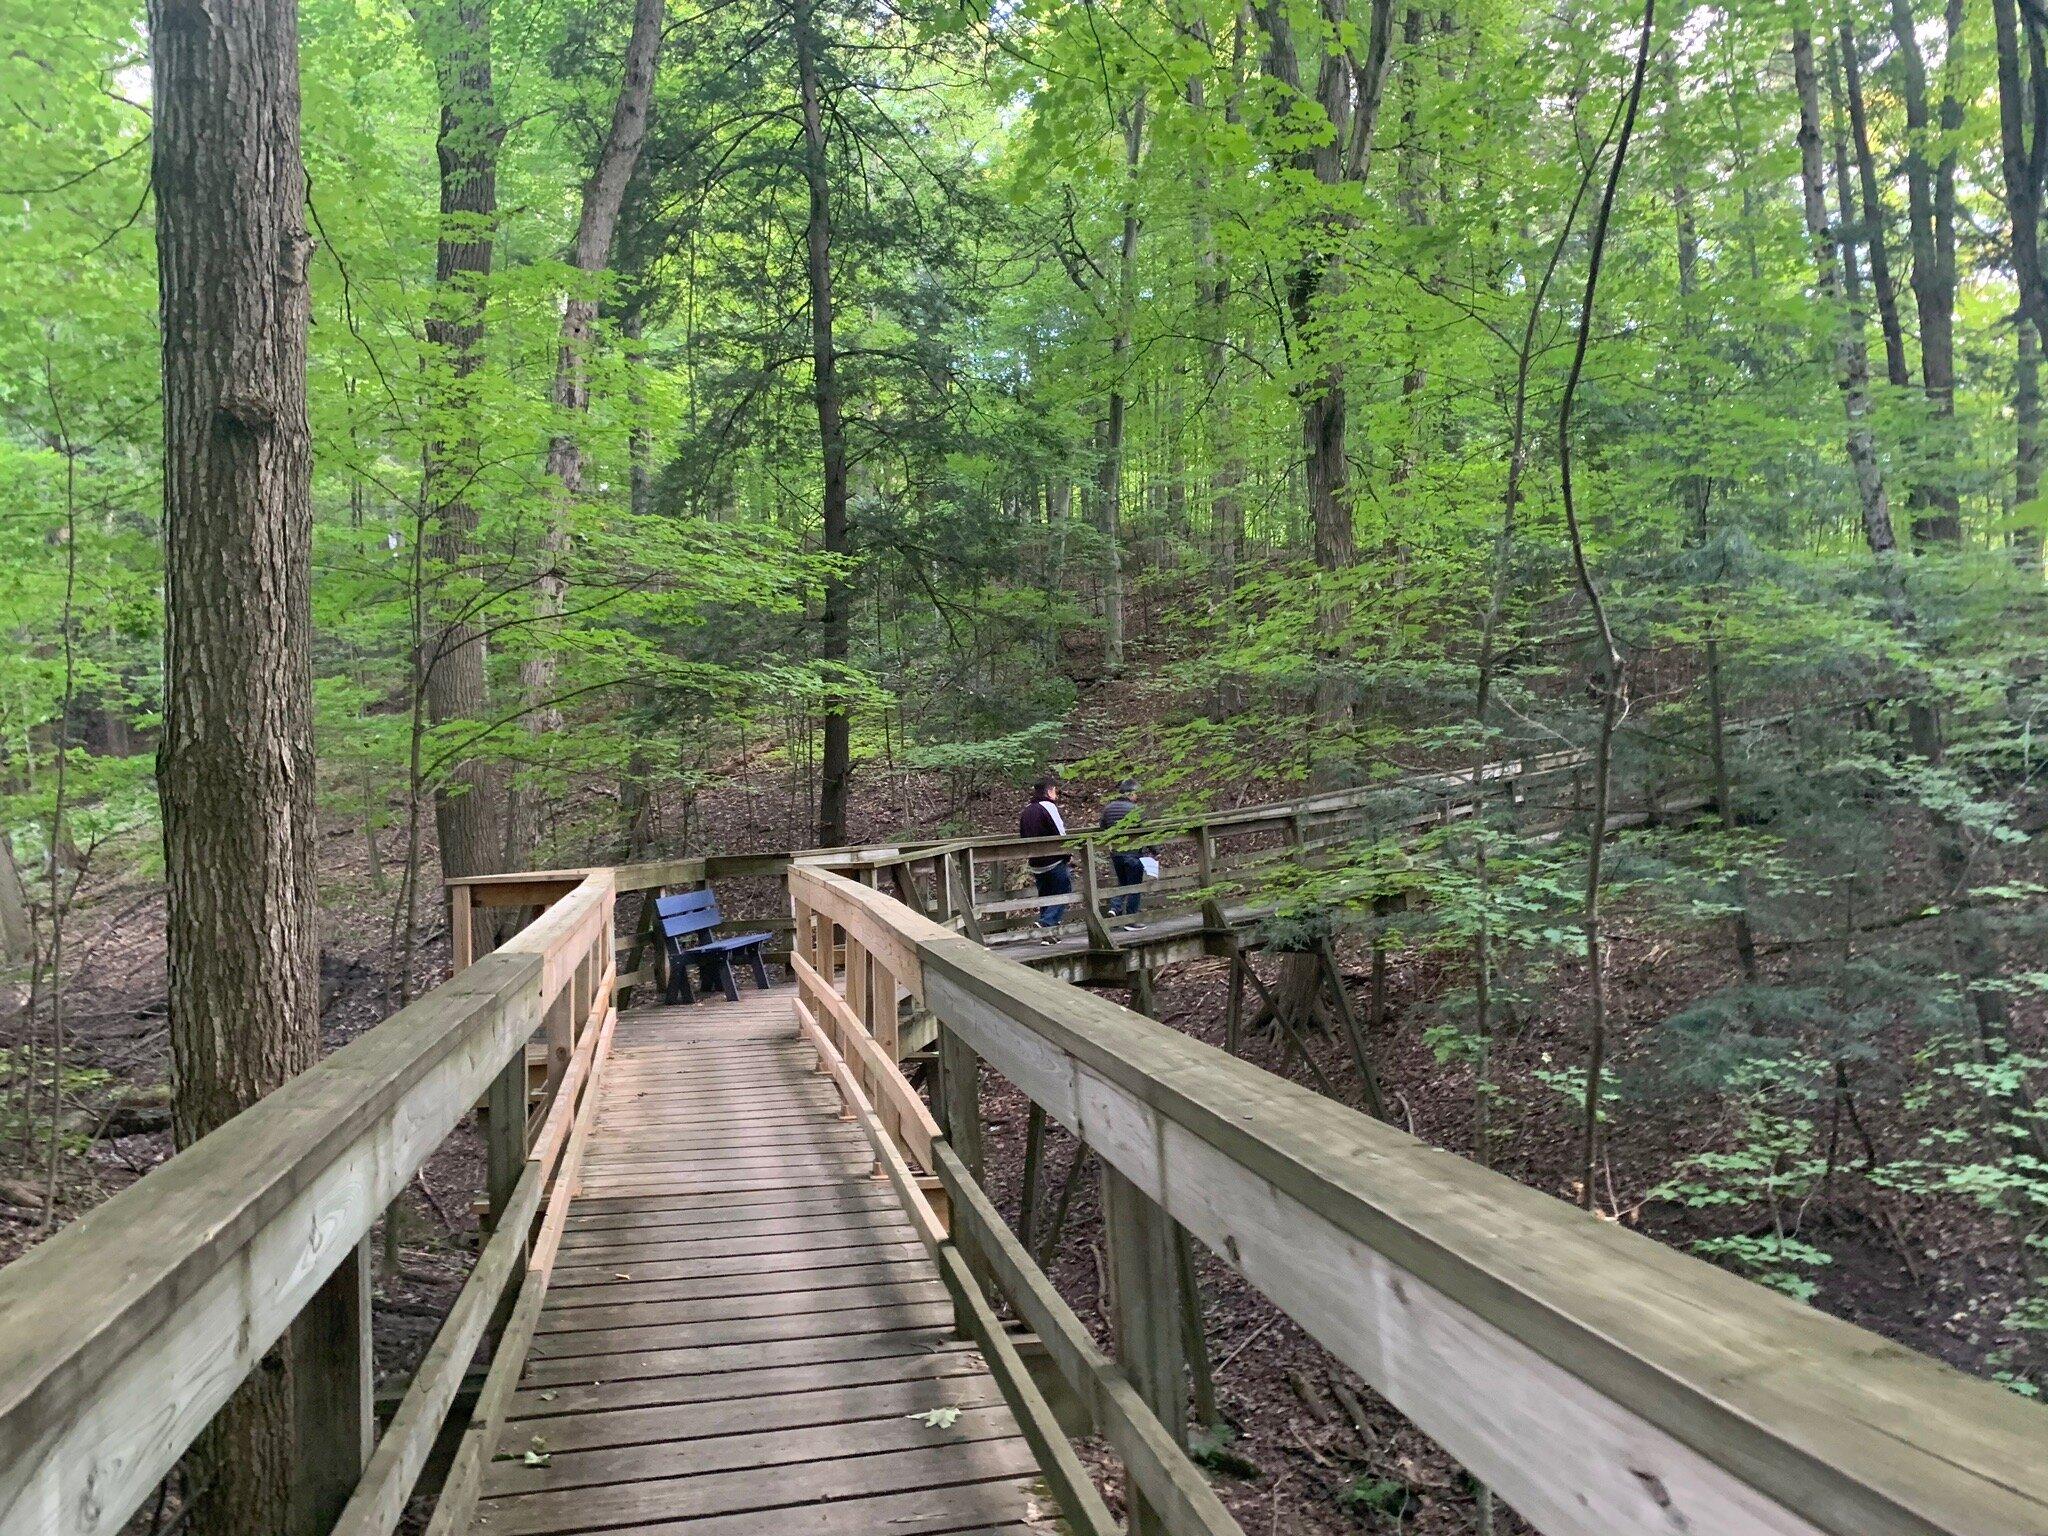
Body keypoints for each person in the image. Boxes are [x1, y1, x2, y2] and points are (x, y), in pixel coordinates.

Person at [1099, 778, 1155, 916]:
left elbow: (1103, 828)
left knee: (1123, 883)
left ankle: (1114, 908)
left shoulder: (1108, 809)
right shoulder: (1135, 810)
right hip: (1133, 853)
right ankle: (1131, 917)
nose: (1137, 797)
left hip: (1116, 853)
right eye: (1136, 793)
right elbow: (1146, 831)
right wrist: (1155, 850)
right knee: (1135, 886)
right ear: (1131, 793)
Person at [1019, 778, 1070, 928]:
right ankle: (1047, 922)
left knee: (1046, 896)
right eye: (1054, 790)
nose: (1056, 794)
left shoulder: (1027, 810)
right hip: (1052, 859)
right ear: (1048, 791)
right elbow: (1060, 833)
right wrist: (1067, 854)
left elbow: (1023, 835)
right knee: (1063, 890)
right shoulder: (1049, 807)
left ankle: (1047, 931)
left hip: (1035, 861)